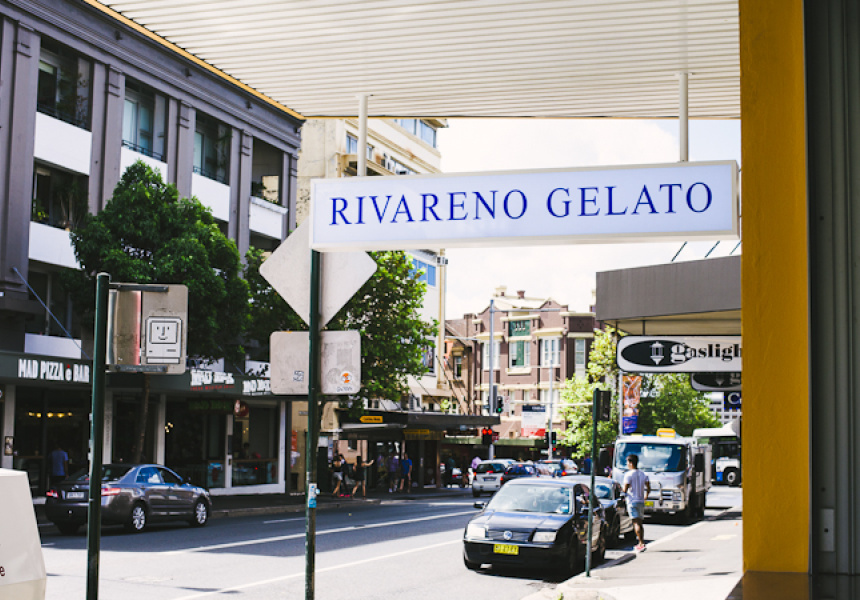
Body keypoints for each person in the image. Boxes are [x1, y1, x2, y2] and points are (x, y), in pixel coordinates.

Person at [622, 454, 651, 552]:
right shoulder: (643, 474)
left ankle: (641, 543)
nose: (627, 464)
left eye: (627, 462)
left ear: (631, 463)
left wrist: (623, 494)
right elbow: (648, 487)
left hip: (632, 501)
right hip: (641, 501)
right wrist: (645, 496)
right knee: (640, 522)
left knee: (635, 522)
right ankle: (641, 542)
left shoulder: (628, 475)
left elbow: (625, 489)